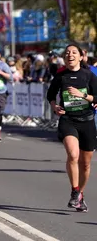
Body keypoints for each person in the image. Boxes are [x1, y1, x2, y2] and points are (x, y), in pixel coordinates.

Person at [46, 44, 97, 213]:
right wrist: (55, 106)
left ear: (81, 57)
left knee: (86, 164)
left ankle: (80, 194)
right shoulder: (60, 76)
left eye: (74, 52)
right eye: (67, 53)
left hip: (87, 121)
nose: (70, 55)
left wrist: (82, 95)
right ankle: (75, 191)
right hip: (68, 120)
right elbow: (50, 95)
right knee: (73, 155)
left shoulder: (88, 75)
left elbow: (96, 97)